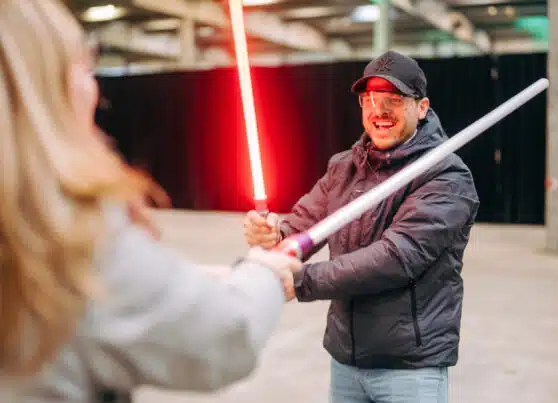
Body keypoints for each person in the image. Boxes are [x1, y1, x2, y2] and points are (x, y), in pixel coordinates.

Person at [0, 0, 302, 401]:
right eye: (84, 67)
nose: (94, 89)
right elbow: (225, 337)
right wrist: (263, 274)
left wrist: (226, 275)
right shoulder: (67, 234)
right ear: (44, 87)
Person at [244, 50, 480, 403]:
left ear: (421, 107)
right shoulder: (344, 167)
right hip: (346, 361)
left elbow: (396, 258)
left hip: (410, 369)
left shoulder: (447, 177)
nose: (378, 110)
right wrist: (275, 236)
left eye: (393, 100)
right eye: (369, 99)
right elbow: (304, 223)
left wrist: (302, 280)